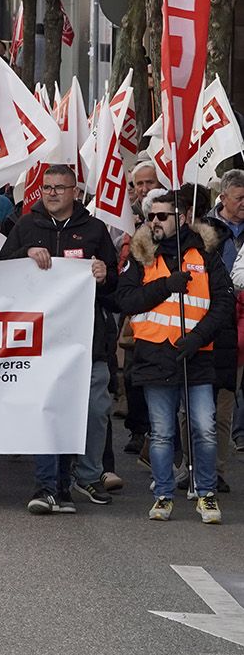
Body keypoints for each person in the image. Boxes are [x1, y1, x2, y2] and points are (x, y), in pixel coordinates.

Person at [0, 164, 119, 514]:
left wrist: (104, 274)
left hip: (88, 342)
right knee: (48, 411)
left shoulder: (95, 230)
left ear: (75, 192)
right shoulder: (25, 226)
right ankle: (49, 487)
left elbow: (115, 293)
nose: (52, 193)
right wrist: (23, 257)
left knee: (95, 409)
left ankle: (84, 475)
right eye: (47, 187)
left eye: (59, 187)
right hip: (41, 340)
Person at [113, 190, 228, 524]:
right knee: (162, 432)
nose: (154, 222)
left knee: (204, 428)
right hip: (154, 356)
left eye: (162, 216)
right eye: (151, 216)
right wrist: (166, 285)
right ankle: (163, 494)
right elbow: (127, 300)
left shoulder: (206, 251)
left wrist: (197, 339)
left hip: (196, 355)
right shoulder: (141, 252)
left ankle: (205, 494)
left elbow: (222, 302)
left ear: (182, 216)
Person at [201, 168, 244, 455]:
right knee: (201, 398)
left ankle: (216, 468)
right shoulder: (203, 228)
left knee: (230, 391)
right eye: (240, 198)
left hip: (240, 317)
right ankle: (189, 463)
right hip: (209, 315)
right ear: (224, 197)